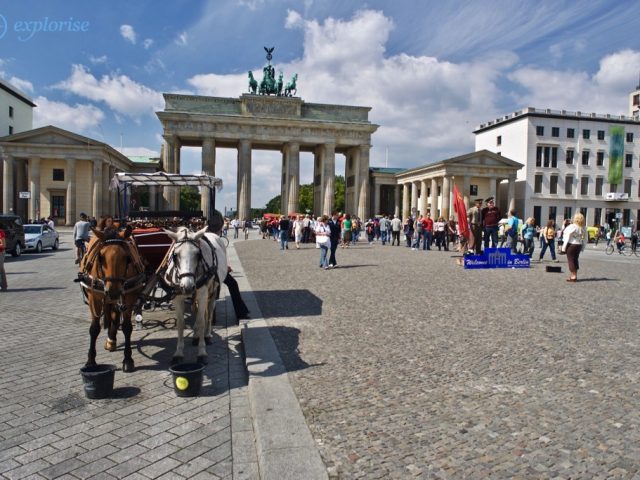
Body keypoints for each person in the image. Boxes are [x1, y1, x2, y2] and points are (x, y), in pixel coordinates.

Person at [562, 212, 587, 282]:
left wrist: (564, 246)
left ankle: (573, 276)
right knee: (575, 259)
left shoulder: (572, 226)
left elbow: (566, 235)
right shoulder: (583, 227)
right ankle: (574, 274)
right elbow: (585, 238)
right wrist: (583, 246)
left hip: (571, 245)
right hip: (579, 244)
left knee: (571, 260)